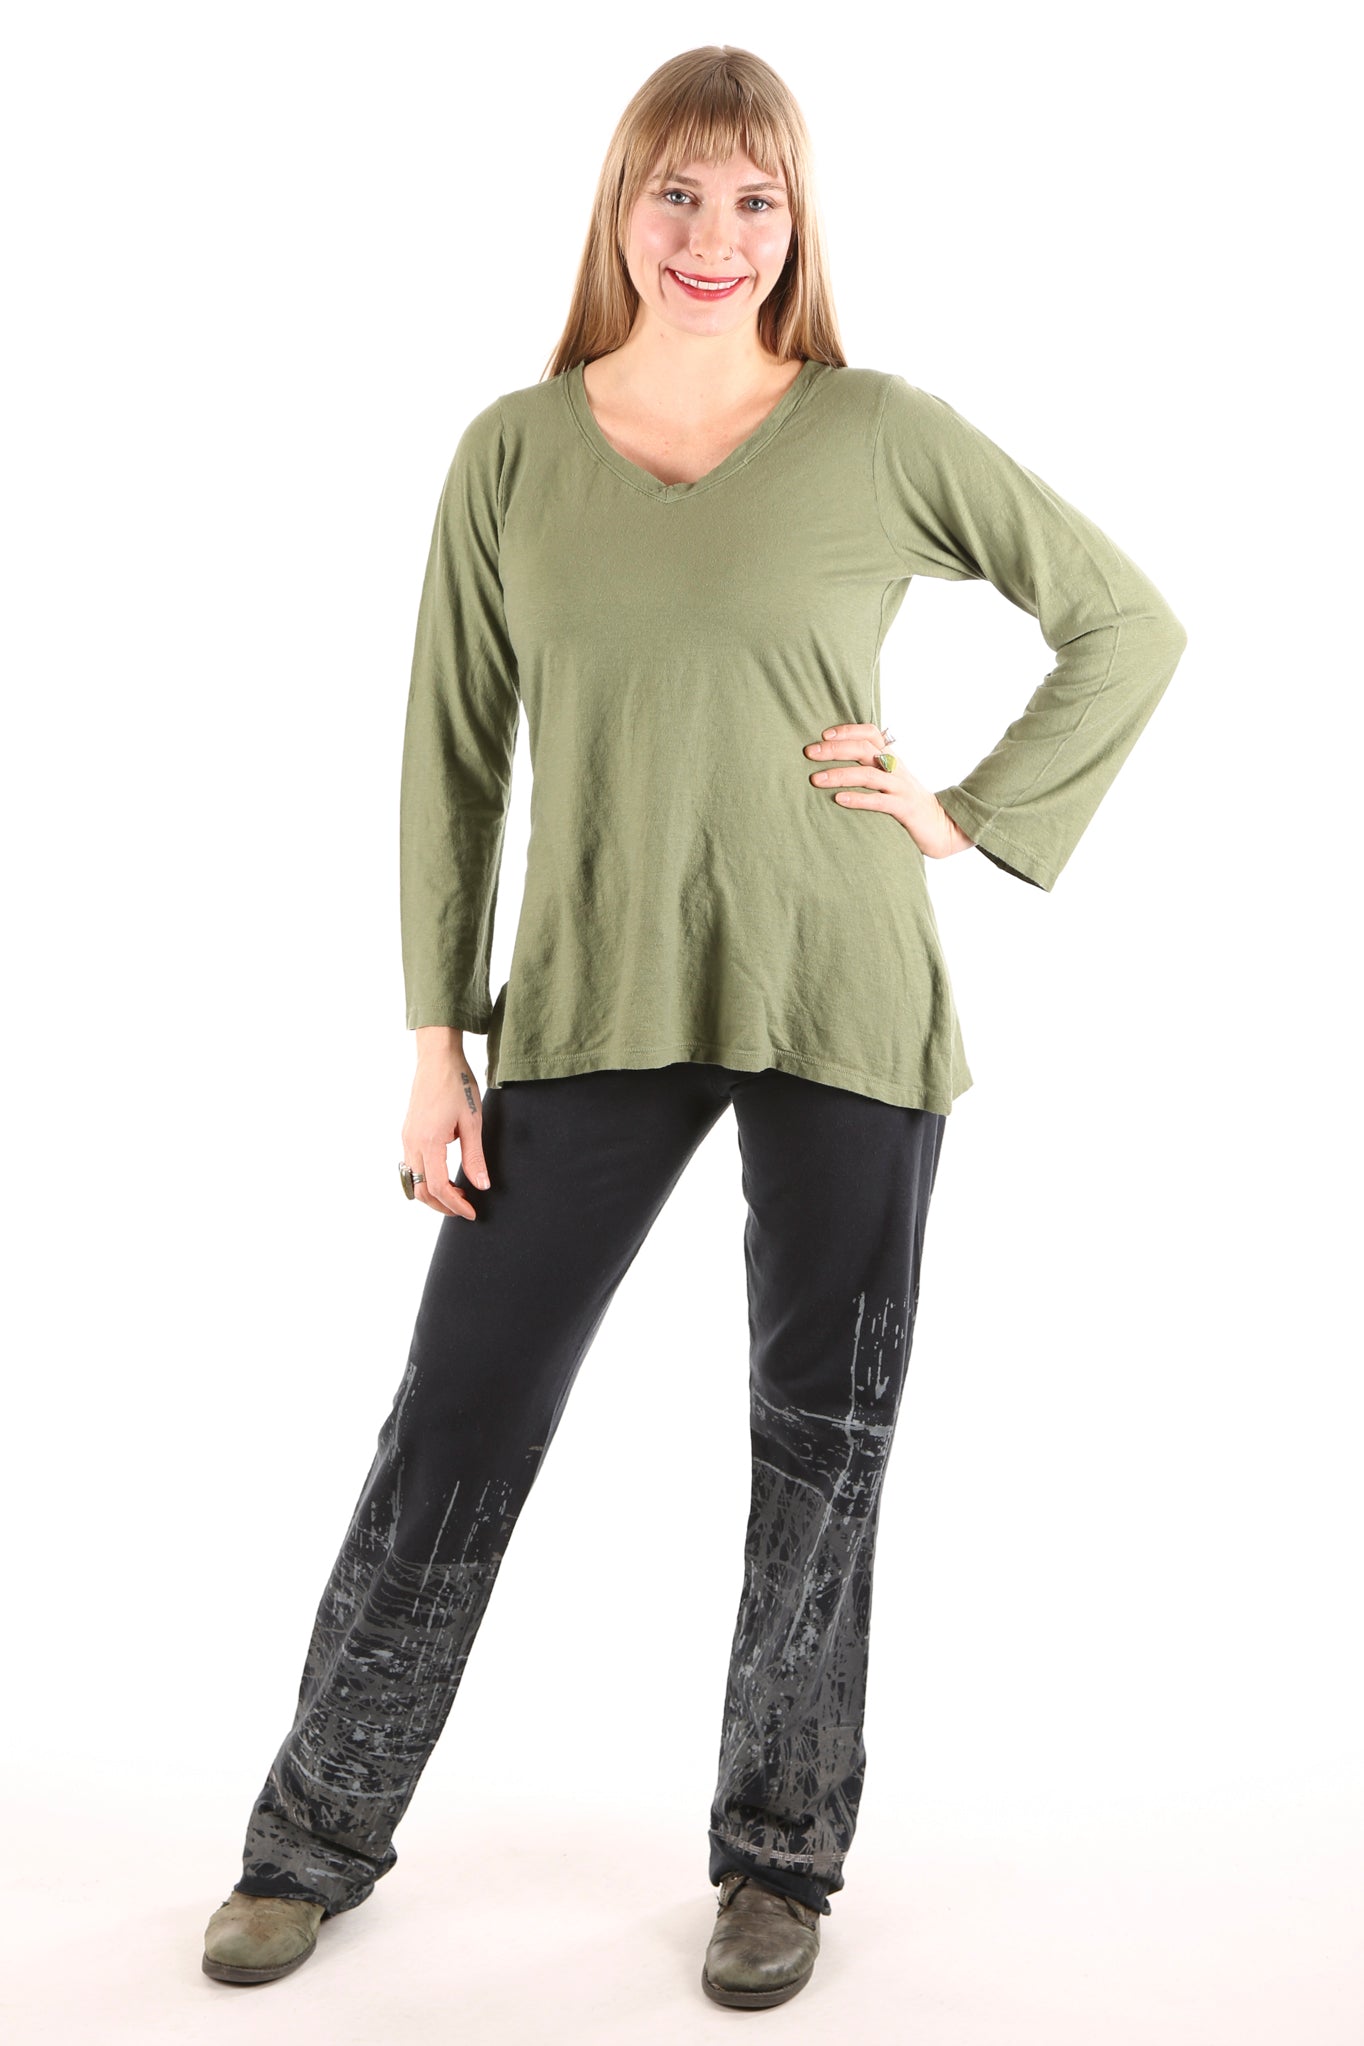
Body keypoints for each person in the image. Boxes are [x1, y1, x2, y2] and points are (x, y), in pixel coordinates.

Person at [201, 44, 1187, 2011]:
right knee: (459, 1410)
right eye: (678, 193)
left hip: (843, 990)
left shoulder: (878, 431)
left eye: (754, 198)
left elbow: (1125, 622)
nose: (714, 236)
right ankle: (310, 1837)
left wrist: (966, 812)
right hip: (590, 998)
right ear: (619, 208)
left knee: (825, 1440)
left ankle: (777, 1861)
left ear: (796, 222)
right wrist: (435, 1038)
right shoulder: (513, 451)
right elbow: (453, 757)